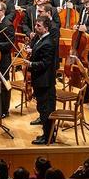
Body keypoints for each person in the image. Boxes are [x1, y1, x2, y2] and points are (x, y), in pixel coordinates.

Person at [27, 16, 58, 145]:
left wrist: (30, 64)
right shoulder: (41, 39)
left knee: (46, 110)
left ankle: (48, 137)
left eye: (39, 26)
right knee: (42, 109)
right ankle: (47, 134)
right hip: (40, 81)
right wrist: (32, 52)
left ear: (46, 28)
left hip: (45, 82)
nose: (36, 27)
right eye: (36, 25)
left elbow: (45, 63)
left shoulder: (48, 43)